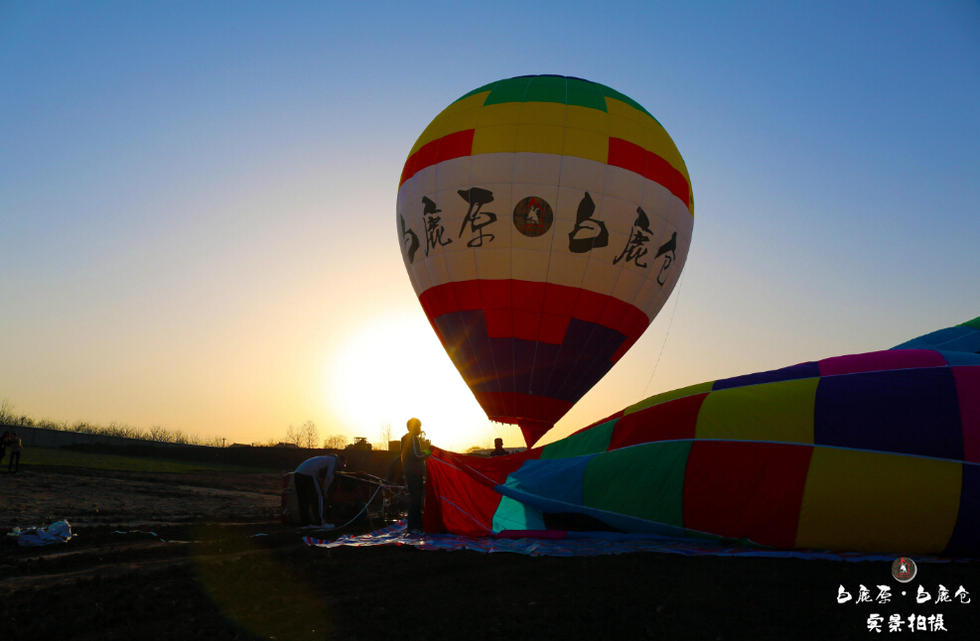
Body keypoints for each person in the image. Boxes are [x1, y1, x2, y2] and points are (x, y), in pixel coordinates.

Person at [293, 454, 344, 527]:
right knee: (318, 497)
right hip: (308, 475)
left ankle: (305, 524)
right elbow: (329, 477)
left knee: (303, 501)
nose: (343, 466)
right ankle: (320, 523)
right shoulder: (333, 461)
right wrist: (325, 491)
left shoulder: (325, 458)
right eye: (343, 464)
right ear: (340, 461)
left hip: (298, 473)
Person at [400, 417, 429, 533]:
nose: (420, 429)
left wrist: (425, 450)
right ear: (414, 427)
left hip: (410, 472)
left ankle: (415, 525)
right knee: (416, 500)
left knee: (415, 499)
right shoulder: (412, 438)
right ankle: (413, 527)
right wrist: (428, 451)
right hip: (414, 473)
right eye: (419, 426)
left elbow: (415, 453)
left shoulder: (405, 438)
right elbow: (416, 455)